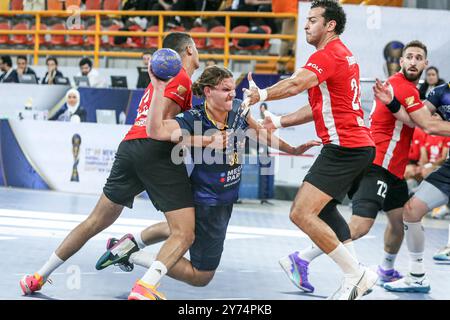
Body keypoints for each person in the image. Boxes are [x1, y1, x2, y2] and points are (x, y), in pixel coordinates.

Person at [94, 66, 320, 291]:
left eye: (233, 88)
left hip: (225, 199)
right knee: (201, 275)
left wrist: (291, 149)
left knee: (177, 229)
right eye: (226, 89)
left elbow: (260, 133)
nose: (232, 93)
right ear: (209, 91)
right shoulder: (193, 117)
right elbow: (160, 132)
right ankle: (134, 256)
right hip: (207, 199)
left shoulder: (239, 110)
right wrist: (204, 138)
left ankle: (126, 245)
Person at [19, 32, 205, 301]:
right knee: (185, 232)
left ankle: (38, 276)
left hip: (129, 147)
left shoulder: (163, 79)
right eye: (196, 48)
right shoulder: (181, 77)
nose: (198, 53)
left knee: (95, 221)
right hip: (156, 151)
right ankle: (145, 286)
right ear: (188, 50)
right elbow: (160, 126)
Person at [275, 40, 437, 293]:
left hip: (394, 169)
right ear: (401, 61)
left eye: (419, 58)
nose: (414, 62)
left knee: (398, 221)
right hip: (377, 165)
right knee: (360, 226)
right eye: (410, 57)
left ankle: (385, 268)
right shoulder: (401, 87)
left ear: (425, 64)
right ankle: (301, 258)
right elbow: (423, 124)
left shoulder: (406, 89)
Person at [243, 0, 378, 300]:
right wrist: (278, 120)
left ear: (330, 25)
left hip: (346, 147)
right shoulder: (339, 55)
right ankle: (353, 277)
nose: (305, 25)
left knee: (301, 212)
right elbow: (317, 106)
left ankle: (356, 274)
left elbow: (294, 84)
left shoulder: (329, 55)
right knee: (325, 210)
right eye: (307, 20)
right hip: (353, 146)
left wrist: (261, 94)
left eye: (313, 20)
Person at [373, 79, 450, 293]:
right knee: (411, 211)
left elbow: (432, 126)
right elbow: (417, 120)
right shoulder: (442, 93)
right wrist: (392, 103)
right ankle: (417, 276)